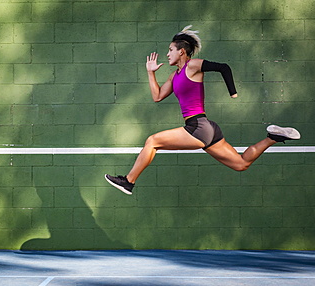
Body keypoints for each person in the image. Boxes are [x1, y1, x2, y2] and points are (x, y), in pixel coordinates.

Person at [105, 25, 300, 195]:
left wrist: (233, 92)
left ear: (182, 51)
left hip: (197, 127)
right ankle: (273, 137)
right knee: (241, 164)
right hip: (207, 128)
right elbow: (157, 97)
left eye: (170, 50)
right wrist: (150, 73)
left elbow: (223, 67)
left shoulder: (192, 66)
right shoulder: (175, 76)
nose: (167, 54)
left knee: (152, 141)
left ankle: (128, 182)